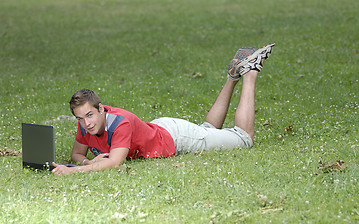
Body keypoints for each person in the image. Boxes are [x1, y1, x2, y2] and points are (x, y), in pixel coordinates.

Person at [52, 43, 275, 175]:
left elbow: (115, 162)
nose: (86, 123)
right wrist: (89, 162)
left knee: (243, 138)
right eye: (80, 118)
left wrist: (74, 170)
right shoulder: (86, 124)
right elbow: (77, 153)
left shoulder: (120, 122)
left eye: (90, 115)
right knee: (207, 130)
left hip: (177, 137)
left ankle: (251, 72)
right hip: (162, 129)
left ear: (101, 109)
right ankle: (232, 77)